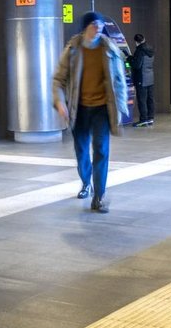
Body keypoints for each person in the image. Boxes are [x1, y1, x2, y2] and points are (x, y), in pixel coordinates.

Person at [52, 11, 129, 213]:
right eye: (94, 24)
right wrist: (60, 102)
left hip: (102, 108)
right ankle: (86, 182)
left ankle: (99, 196)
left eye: (101, 25)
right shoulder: (72, 50)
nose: (98, 28)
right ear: (85, 26)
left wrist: (120, 107)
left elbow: (119, 80)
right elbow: (58, 80)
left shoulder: (109, 49)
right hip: (79, 108)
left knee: (102, 150)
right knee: (82, 151)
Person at [129, 33, 156, 127]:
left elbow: (137, 65)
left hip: (142, 78)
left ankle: (143, 119)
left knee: (142, 100)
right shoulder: (150, 48)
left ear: (136, 42)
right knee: (150, 99)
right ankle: (150, 118)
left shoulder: (140, 50)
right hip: (150, 78)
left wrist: (129, 59)